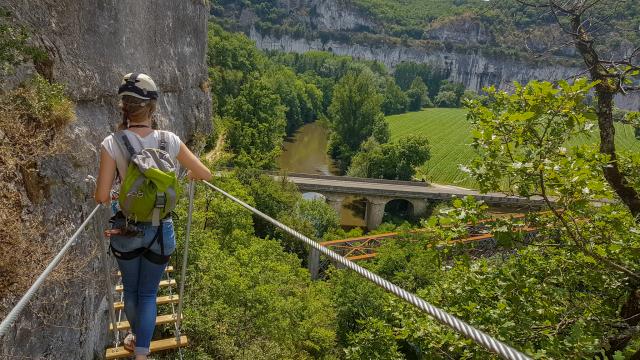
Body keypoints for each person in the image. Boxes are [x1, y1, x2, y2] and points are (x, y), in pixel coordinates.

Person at [94, 73, 211, 359]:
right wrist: (187, 177)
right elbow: (205, 174)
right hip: (161, 231)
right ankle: (142, 353)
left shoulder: (112, 143)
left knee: (131, 291)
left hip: (127, 230)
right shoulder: (169, 140)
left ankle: (135, 338)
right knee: (148, 294)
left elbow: (100, 196)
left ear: (124, 107)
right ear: (153, 107)